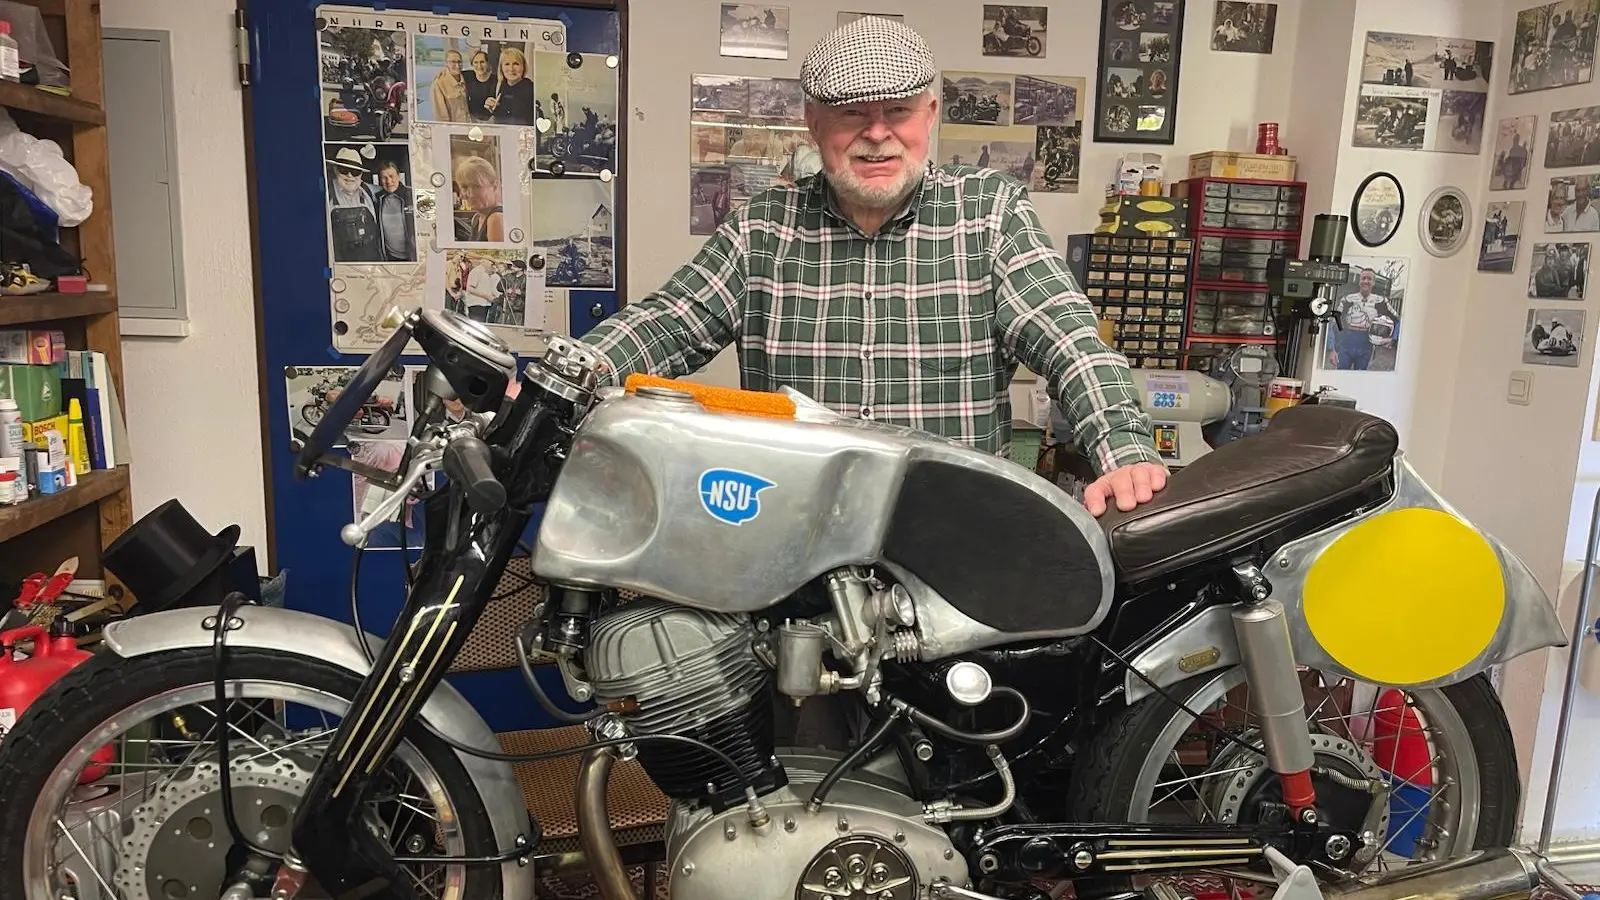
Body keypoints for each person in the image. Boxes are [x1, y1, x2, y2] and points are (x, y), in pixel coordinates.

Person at [577, 17, 1166, 517]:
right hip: (795, 536)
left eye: (898, 112)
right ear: (813, 123)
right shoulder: (763, 226)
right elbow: (669, 321)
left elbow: (1069, 340)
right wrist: (568, 374)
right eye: (852, 114)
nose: (878, 134)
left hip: (949, 538)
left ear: (930, 114)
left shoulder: (990, 214)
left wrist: (1125, 447)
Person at [429, 48, 470, 123]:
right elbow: (441, 117)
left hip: (469, 127)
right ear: (446, 63)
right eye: (453, 62)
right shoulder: (438, 84)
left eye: (459, 62)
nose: (457, 65)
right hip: (454, 131)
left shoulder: (466, 77)